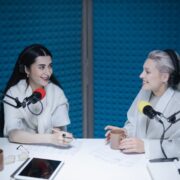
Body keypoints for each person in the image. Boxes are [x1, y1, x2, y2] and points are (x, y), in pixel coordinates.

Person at [105, 49, 180, 159]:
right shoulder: (145, 91)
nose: (141, 75)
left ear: (165, 77)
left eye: (147, 72)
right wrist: (126, 132)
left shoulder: (177, 103)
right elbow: (134, 123)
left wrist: (147, 147)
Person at [3, 44, 73, 146]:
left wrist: (59, 137)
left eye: (50, 66)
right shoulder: (13, 93)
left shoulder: (56, 92)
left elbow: (58, 131)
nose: (48, 72)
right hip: (21, 149)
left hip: (49, 149)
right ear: (27, 70)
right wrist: (50, 138)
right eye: (41, 67)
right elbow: (13, 134)